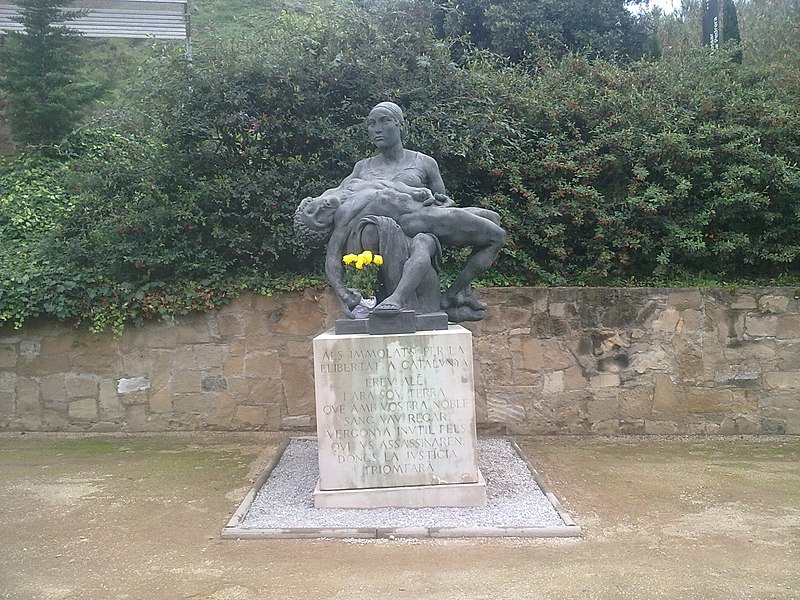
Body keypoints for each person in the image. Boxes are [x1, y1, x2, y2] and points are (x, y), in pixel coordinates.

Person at [294, 177, 505, 320]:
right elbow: (332, 258)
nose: (321, 209)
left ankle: (461, 294)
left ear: (310, 200)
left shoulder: (350, 183)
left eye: (312, 209)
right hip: (423, 219)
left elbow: (387, 184)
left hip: (425, 204)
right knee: (496, 237)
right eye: (319, 219)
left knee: (493, 218)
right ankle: (452, 294)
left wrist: (418, 191)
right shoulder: (343, 216)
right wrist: (341, 291)